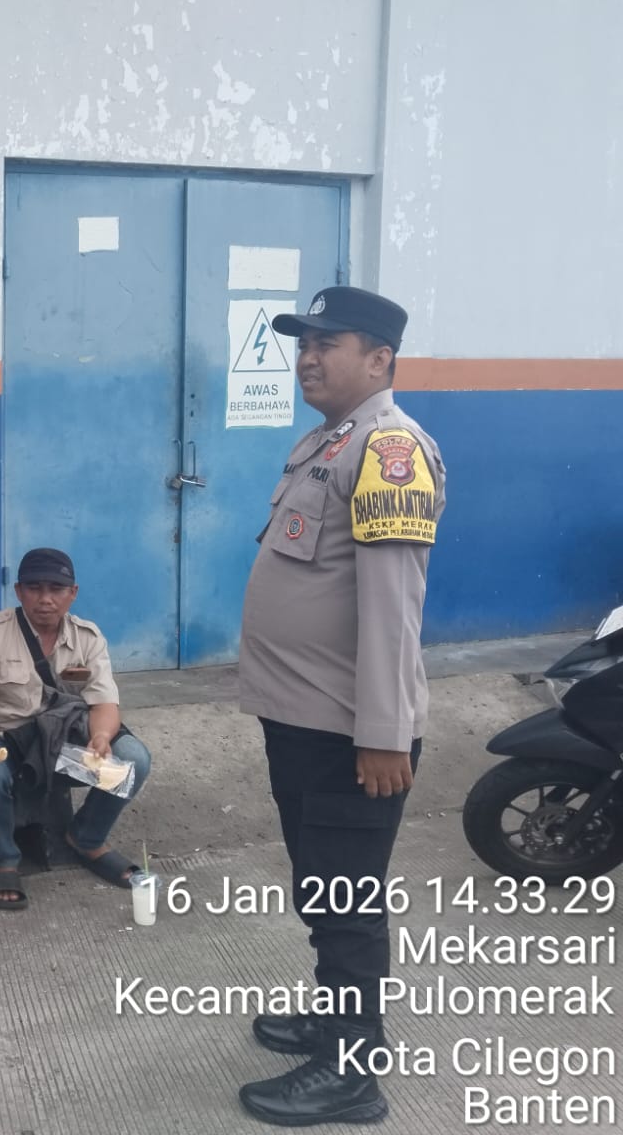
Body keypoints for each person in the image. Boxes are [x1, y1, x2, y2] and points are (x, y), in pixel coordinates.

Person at [235, 286, 445, 1126]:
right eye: (303, 343)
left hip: (348, 731)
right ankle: (338, 1023)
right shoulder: (329, 440)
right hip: (305, 720)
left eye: (329, 342)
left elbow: (393, 605)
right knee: (325, 892)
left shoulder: (390, 448)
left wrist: (384, 734)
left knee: (347, 902)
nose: (309, 357)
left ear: (381, 359)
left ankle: (352, 1075)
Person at [0, 548, 152, 909]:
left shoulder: (88, 637)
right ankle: (3, 860)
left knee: (132, 759)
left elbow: (104, 703)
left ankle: (87, 839)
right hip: (9, 744)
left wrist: (101, 737)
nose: (45, 599)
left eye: (56, 589)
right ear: (18, 591)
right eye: (34, 588)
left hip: (64, 746)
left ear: (72, 593)